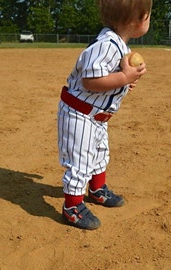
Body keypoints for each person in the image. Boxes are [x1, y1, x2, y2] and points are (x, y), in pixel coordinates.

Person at [57, 0, 153, 230]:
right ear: (138, 20)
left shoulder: (119, 46)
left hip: (97, 116)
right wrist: (124, 79)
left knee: (100, 154)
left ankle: (97, 190)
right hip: (79, 114)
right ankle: (72, 207)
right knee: (80, 162)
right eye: (148, 15)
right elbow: (90, 81)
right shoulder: (106, 45)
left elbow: (104, 79)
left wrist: (122, 84)